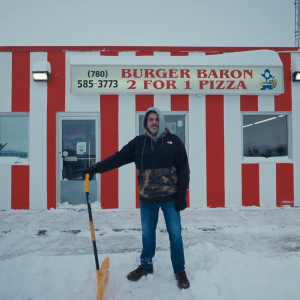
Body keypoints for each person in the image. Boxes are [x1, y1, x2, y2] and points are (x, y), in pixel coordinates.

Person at [83, 107, 190, 289]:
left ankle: (180, 271)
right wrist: (95, 169)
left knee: (175, 235)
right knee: (148, 236)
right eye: (150, 120)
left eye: (156, 119)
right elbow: (118, 158)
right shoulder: (138, 143)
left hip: (170, 199)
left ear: (162, 121)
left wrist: (182, 195)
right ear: (146, 123)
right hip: (147, 200)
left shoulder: (174, 141)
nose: (154, 122)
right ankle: (146, 265)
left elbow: (184, 169)